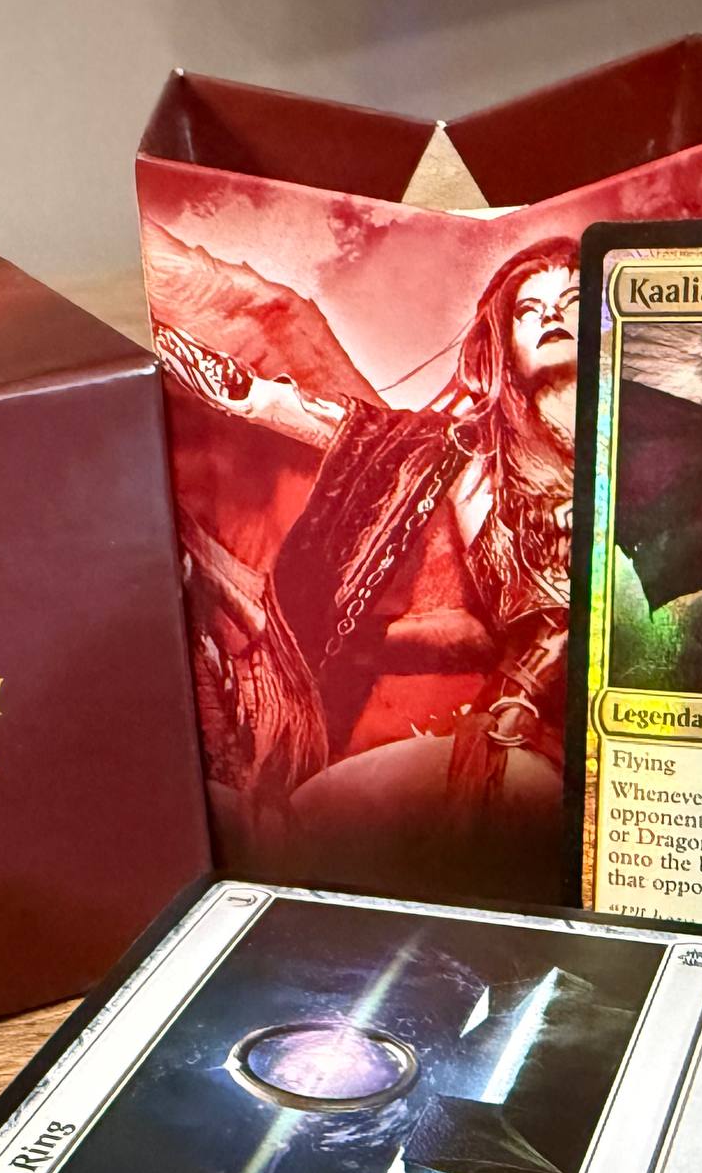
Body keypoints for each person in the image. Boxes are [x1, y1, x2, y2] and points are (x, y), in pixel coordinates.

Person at [156, 238, 582, 895]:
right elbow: (321, 419)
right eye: (529, 309)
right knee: (294, 827)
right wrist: (215, 376)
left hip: (620, 748)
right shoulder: (470, 460)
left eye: (572, 302)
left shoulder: (659, 453)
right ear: (504, 341)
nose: (551, 315)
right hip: (517, 732)